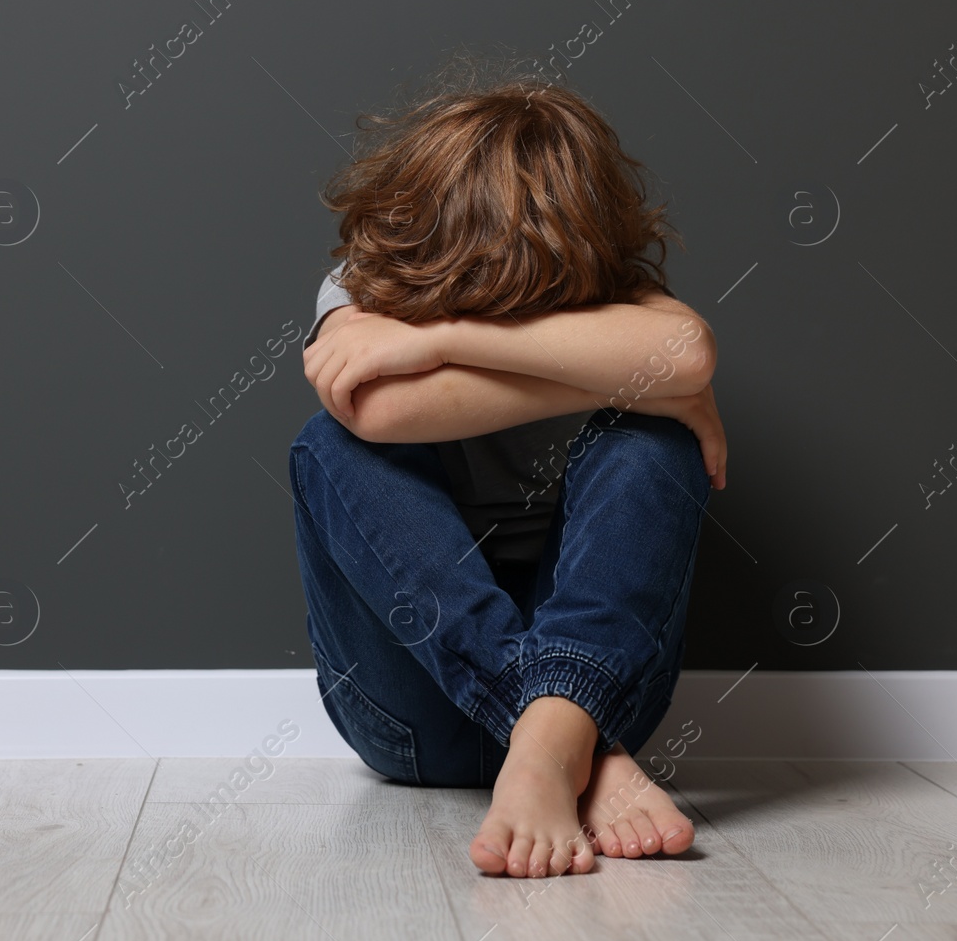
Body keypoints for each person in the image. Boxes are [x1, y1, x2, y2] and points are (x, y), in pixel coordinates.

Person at [289, 50, 728, 879]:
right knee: (330, 444)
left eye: (539, 299)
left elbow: (689, 353)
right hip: (413, 709)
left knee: (653, 445)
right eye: (469, 292)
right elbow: (375, 411)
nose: (500, 305)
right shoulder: (361, 286)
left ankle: (548, 742)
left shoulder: (614, 290)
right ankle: (561, 747)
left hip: (602, 685)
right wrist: (630, 384)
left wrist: (443, 339)